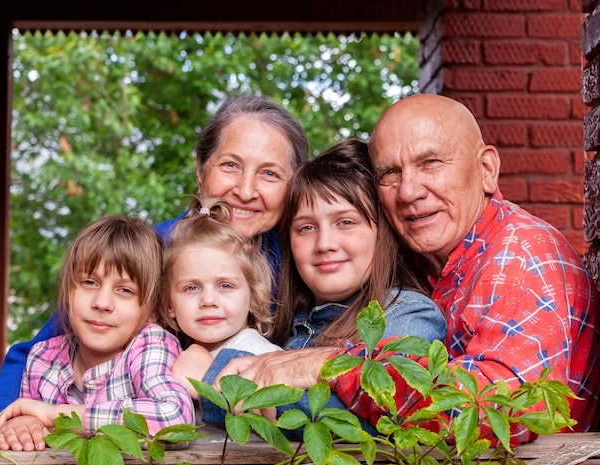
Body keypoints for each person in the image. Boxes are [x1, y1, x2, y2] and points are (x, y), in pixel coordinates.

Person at [214, 94, 600, 447]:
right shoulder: (424, 256)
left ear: (486, 169)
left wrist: (332, 363)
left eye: (430, 163)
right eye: (389, 173)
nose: (409, 191)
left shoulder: (520, 254)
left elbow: (500, 411)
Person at [0, 94, 309, 445]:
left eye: (270, 173)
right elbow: (45, 347)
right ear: (200, 169)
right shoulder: (155, 250)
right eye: (230, 165)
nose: (245, 190)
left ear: (293, 186)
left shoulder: (301, 258)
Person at [198, 138, 446, 432]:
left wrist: (210, 379)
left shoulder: (407, 312)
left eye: (345, 222)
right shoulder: (294, 326)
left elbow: (375, 413)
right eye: (306, 227)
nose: (324, 244)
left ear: (382, 234)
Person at [0, 215, 195, 451]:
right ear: (68, 291)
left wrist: (56, 416)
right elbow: (31, 421)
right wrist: (24, 424)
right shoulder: (42, 357)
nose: (102, 303)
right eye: (89, 282)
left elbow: (176, 419)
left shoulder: (150, 344)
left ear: (153, 310)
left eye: (124, 290)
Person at [160, 196, 282, 399]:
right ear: (168, 304)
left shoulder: (263, 357)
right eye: (191, 288)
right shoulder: (168, 352)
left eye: (225, 286)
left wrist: (208, 380)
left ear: (253, 297)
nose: (208, 300)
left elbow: (273, 423)